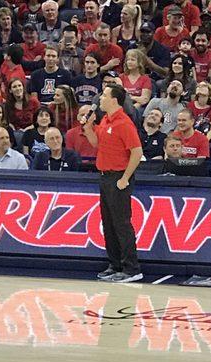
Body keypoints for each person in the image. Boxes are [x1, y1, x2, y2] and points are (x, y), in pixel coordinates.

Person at [83, 83, 143, 283]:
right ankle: (115, 264)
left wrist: (125, 178)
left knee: (121, 224)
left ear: (114, 100)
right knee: (108, 223)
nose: (100, 98)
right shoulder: (106, 121)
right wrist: (88, 126)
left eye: (104, 95)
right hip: (104, 175)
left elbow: (137, 151)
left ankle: (131, 268)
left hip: (118, 177)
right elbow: (96, 144)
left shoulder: (124, 123)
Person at [5, 78, 40, 150]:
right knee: (17, 135)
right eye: (14, 87)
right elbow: (8, 121)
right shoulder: (8, 104)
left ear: (23, 88)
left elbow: (39, 120)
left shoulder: (33, 101)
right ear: (10, 90)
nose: (18, 88)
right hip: (15, 132)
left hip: (32, 129)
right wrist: (13, 128)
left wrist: (26, 129)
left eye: (19, 86)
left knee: (22, 135)